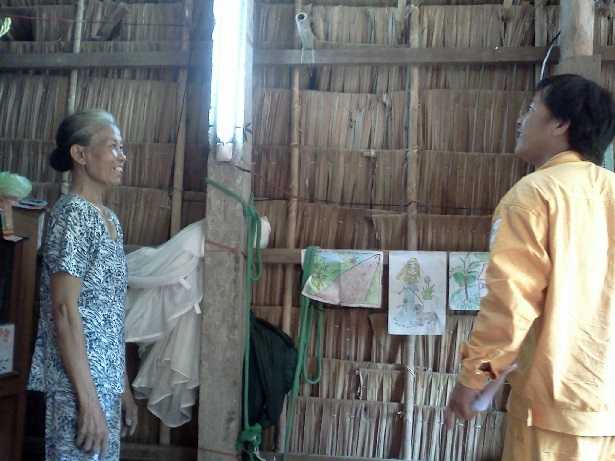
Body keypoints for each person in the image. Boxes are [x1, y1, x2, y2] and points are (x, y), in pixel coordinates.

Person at [445, 73, 615, 460]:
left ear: (561, 123)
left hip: (554, 413)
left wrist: (474, 376)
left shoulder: (534, 195)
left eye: (531, 108)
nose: (521, 119)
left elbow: (511, 301)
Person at [28, 109, 138, 460]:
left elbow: (109, 314)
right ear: (80, 154)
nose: (122, 157)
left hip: (104, 382)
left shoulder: (109, 219)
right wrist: (88, 402)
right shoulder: (74, 216)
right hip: (77, 385)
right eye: (113, 147)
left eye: (122, 147)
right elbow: (63, 309)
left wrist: (121, 388)